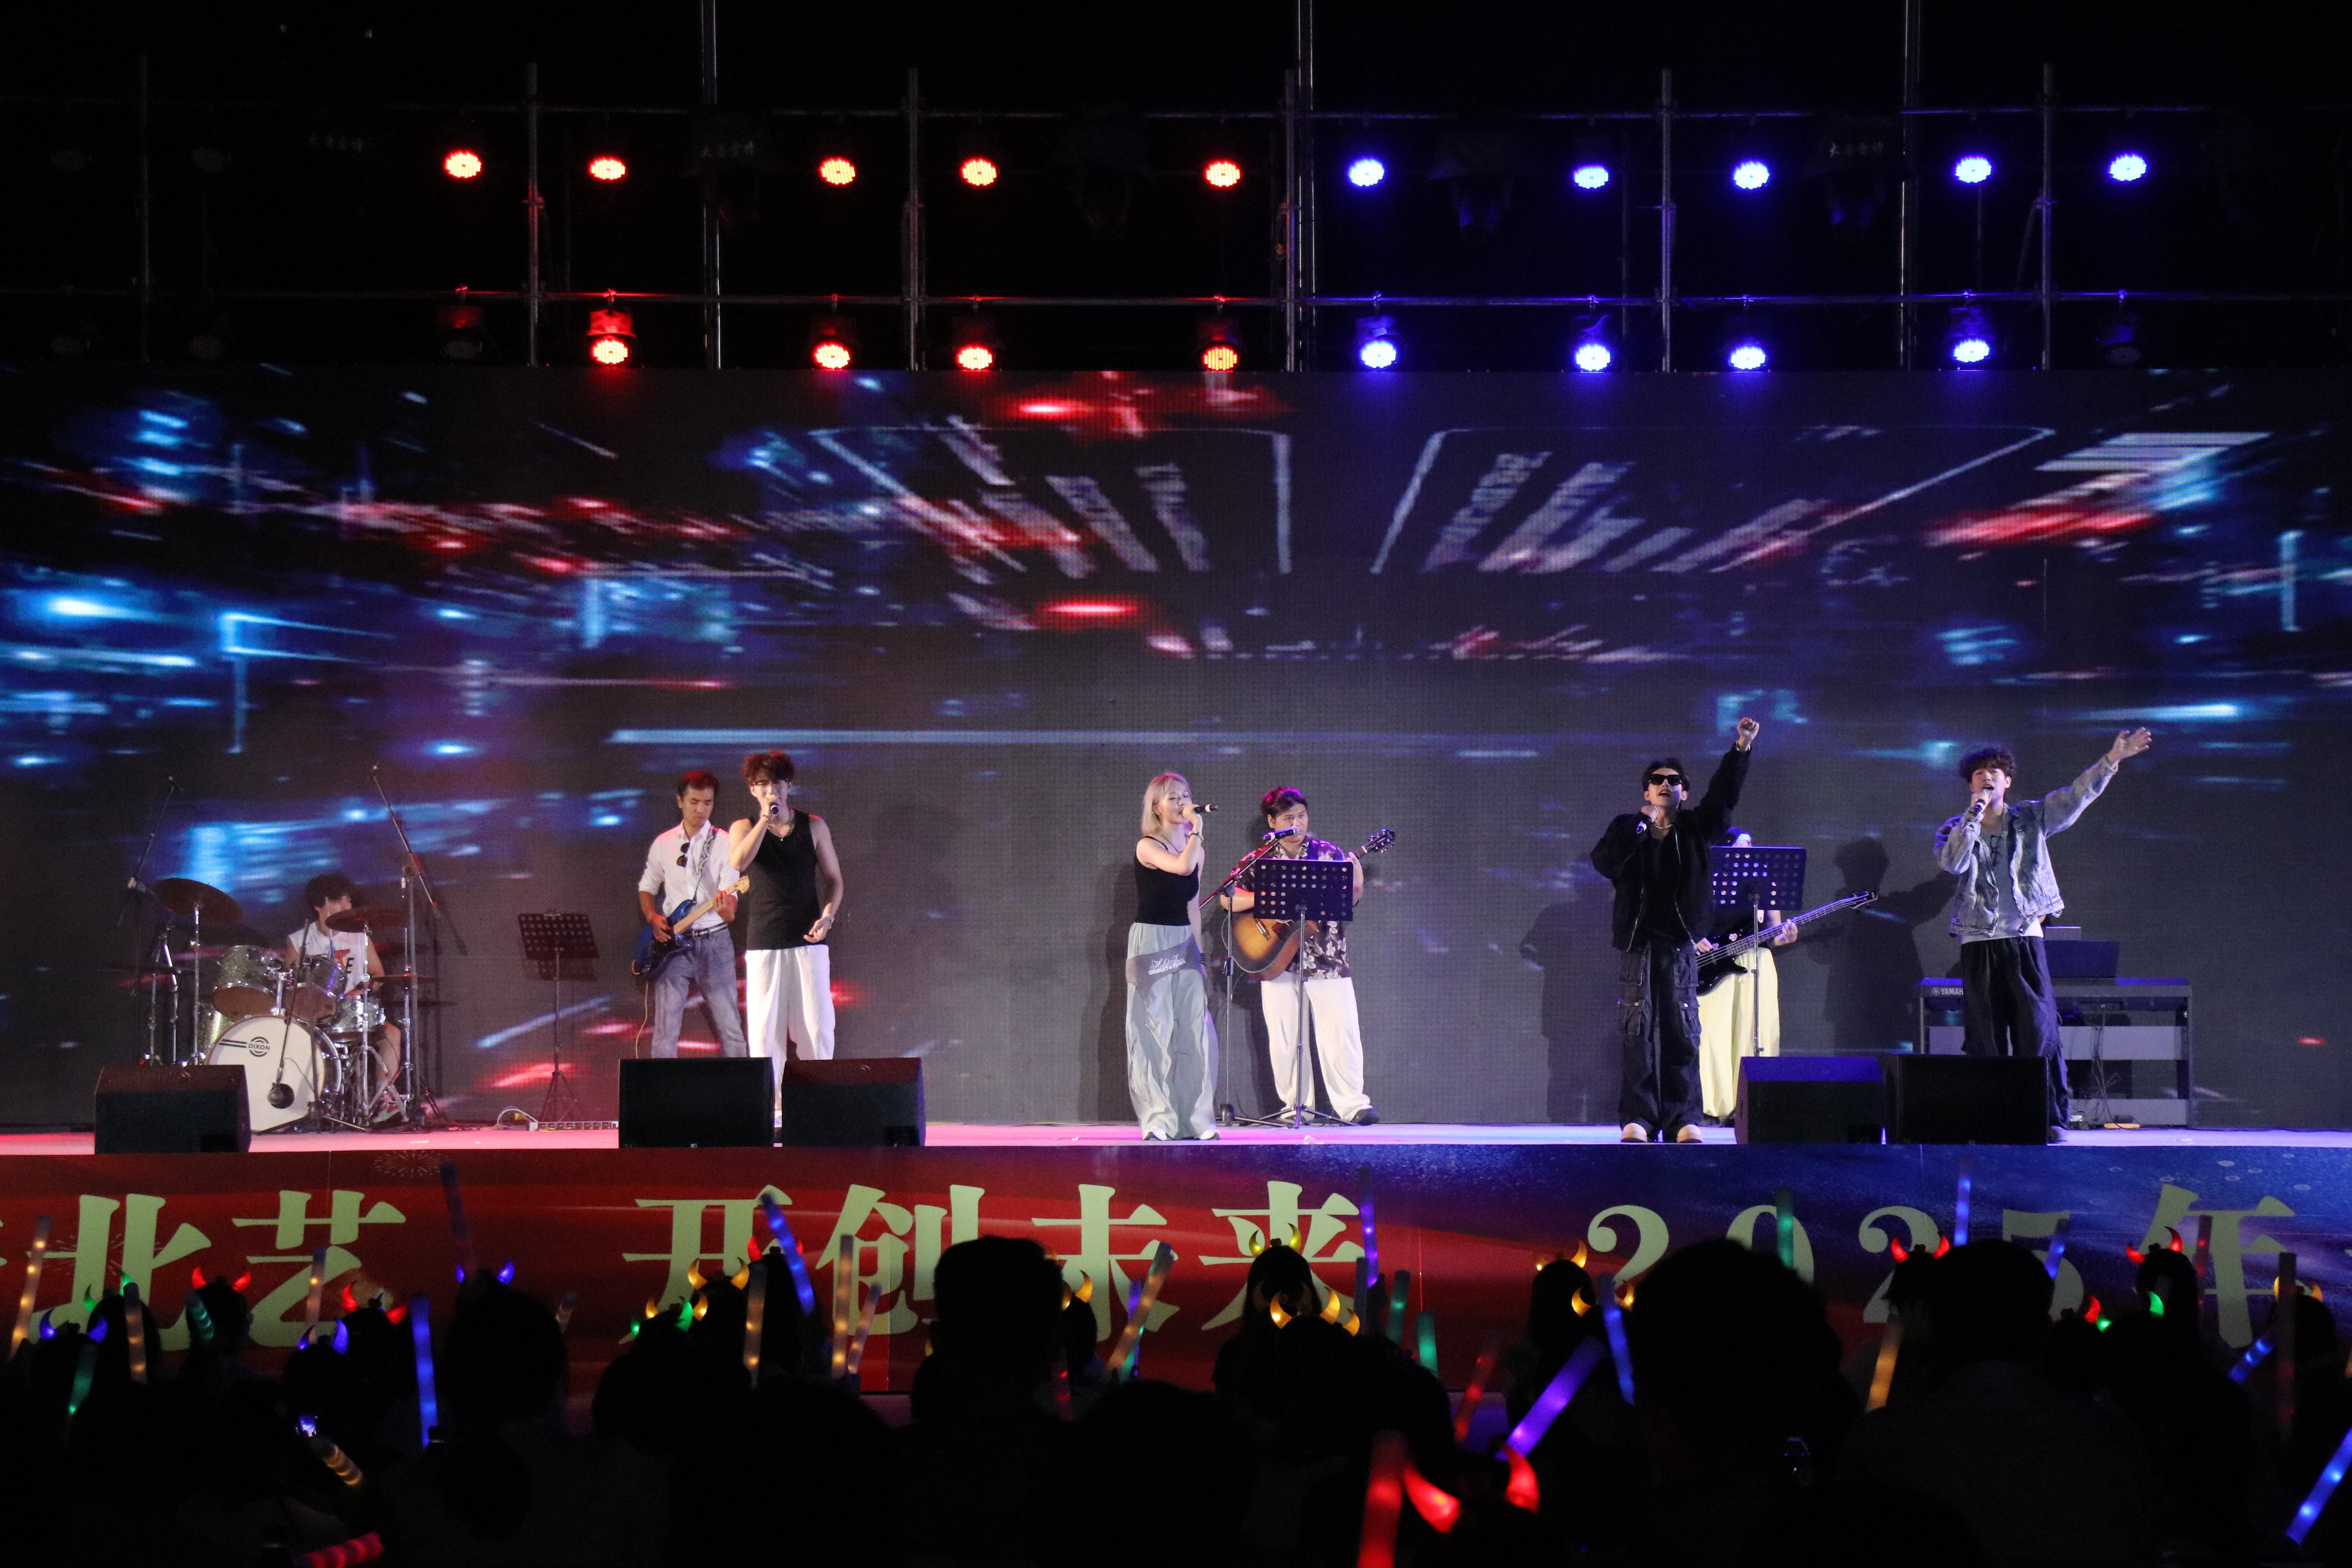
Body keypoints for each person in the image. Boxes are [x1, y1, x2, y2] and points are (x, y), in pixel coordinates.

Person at [1933, 728, 2152, 1132]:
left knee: (2037, 1031)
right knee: (1987, 1038)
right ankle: (1990, 1120)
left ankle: (2046, 1117)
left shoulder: (2031, 818)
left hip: (2025, 939)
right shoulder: (1956, 828)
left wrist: (2112, 760)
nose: (1987, 778)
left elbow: (2075, 797)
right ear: (1971, 785)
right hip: (1979, 941)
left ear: (2007, 781)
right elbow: (1953, 864)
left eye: (1995, 772)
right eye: (1979, 774)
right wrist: (1973, 818)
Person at [1590, 718, 1759, 1143]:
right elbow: (1605, 863)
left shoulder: (1698, 827)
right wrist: (1640, 825)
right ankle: (1639, 1118)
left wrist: (1741, 747)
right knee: (1638, 1029)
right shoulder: (1627, 827)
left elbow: (1724, 794)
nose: (1666, 785)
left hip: (1681, 944)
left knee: (1683, 1029)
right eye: (1657, 781)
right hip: (1639, 943)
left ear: (1684, 791)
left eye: (1674, 781)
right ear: (1647, 792)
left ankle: (1683, 1117)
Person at [1221, 787, 1378, 1125]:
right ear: (1272, 822)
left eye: (1302, 815)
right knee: (1285, 1036)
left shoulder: (1328, 854)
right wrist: (1269, 898)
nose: (1298, 823)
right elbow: (1227, 897)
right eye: (1289, 818)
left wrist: (1357, 882)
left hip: (1327, 956)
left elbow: (1350, 899)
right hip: (1277, 958)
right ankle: (1296, 1106)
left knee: (1341, 1032)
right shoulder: (1261, 859)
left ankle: (1353, 1105)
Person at [727, 751, 843, 1109]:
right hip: (765, 943)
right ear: (752, 790)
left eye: (777, 783)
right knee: (765, 1035)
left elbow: (834, 880)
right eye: (762, 784)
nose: (771, 790)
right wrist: (766, 820)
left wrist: (828, 917)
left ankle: (817, 1105)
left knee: (817, 1029)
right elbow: (738, 862)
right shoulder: (744, 827)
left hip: (808, 942)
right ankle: (772, 1108)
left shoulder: (814, 826)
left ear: (789, 786)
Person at [1127, 772, 1219, 1141]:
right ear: (1156, 807)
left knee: (1194, 1029)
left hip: (1183, 941)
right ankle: (1158, 1120)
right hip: (1152, 941)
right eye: (1173, 798)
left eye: (1186, 795)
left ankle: (1197, 1119)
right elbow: (1180, 868)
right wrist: (1197, 832)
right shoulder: (1147, 846)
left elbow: (1192, 906)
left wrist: (1199, 954)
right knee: (1153, 1028)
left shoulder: (1196, 850)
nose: (1183, 803)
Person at [637, 769, 747, 1060]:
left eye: (708, 803)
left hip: (715, 942)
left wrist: (727, 910)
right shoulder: (664, 843)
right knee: (665, 1030)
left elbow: (730, 902)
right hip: (673, 945)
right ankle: (663, 1089)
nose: (701, 810)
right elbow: (647, 887)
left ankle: (740, 1087)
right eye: (694, 802)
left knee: (730, 1027)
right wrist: (653, 917)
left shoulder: (726, 843)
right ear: (680, 802)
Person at [1695, 827, 1798, 1125]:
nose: (1749, 850)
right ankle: (1713, 1107)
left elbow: (1774, 933)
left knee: (1755, 1032)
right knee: (1713, 1033)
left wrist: (1787, 937)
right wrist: (1695, 939)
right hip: (1715, 964)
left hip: (1757, 961)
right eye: (1742, 845)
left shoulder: (1764, 883)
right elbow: (1687, 922)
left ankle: (1750, 1106)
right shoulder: (1704, 884)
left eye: (1751, 845)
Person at [287, 871, 402, 1123]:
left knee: (392, 1034)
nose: (346, 907)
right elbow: (289, 984)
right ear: (319, 905)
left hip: (353, 1012)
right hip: (315, 1016)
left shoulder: (359, 936)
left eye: (348, 901)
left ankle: (382, 1100)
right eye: (338, 901)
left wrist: (361, 989)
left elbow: (378, 974)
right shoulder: (300, 940)